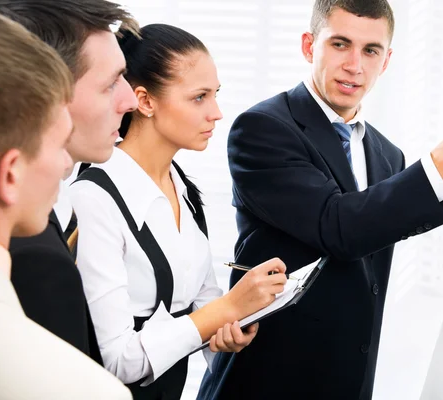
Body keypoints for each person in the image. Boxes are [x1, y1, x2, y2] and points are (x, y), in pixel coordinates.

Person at [198, 0, 443, 399]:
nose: (355, 65)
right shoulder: (263, 129)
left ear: (386, 61)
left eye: (370, 51)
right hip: (267, 379)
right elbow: (339, 227)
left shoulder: (388, 156)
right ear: (309, 46)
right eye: (340, 44)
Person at [69, 23, 287, 400]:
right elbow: (117, 361)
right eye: (199, 97)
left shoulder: (182, 187)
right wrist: (223, 311)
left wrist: (233, 324)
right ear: (145, 101)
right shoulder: (95, 198)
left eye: (215, 94)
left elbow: (204, 306)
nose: (217, 113)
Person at [0, 0, 139, 365]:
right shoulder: (28, 253)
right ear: (44, 89)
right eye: (110, 85)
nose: (130, 101)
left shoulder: (44, 211)